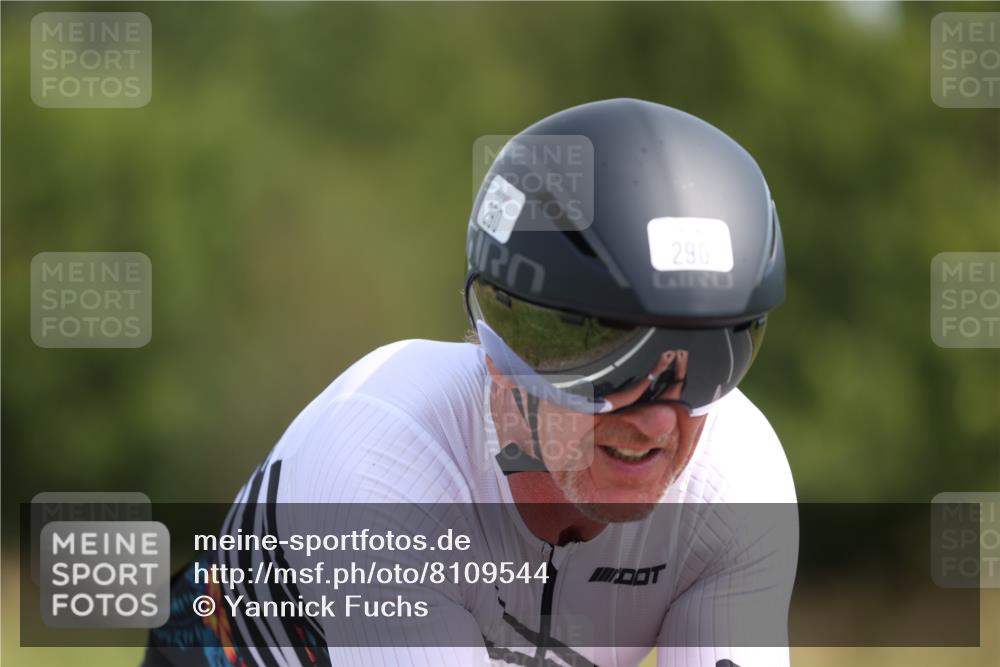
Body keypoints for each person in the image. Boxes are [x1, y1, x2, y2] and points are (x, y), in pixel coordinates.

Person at [143, 98, 798, 667]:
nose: (659, 418)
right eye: (613, 361)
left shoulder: (736, 479)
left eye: (713, 359)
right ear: (508, 351)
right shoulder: (384, 456)